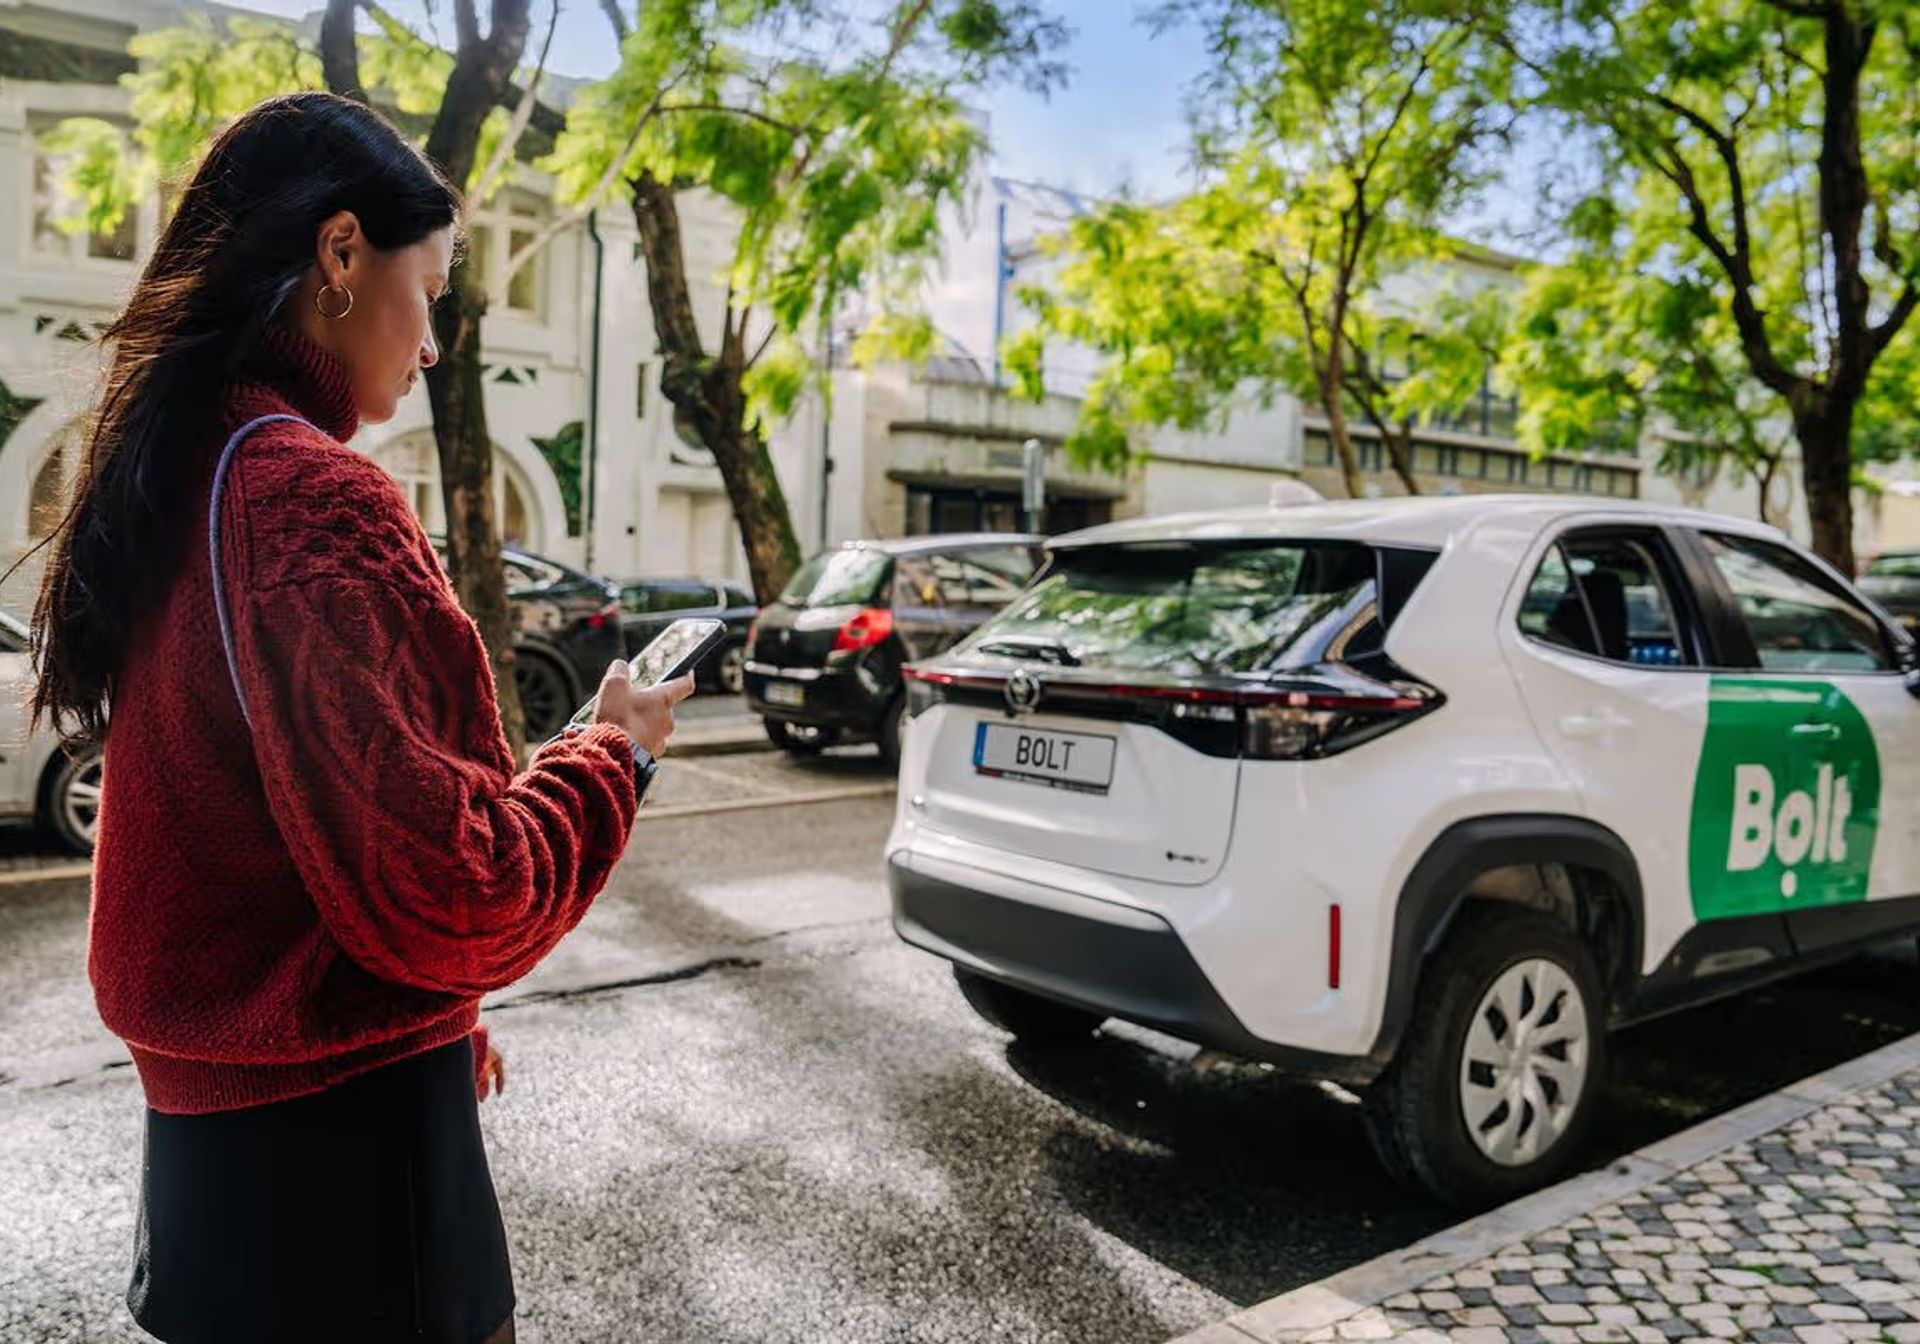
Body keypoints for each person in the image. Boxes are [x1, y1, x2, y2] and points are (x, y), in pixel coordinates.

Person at [20, 92, 689, 1343]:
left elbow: (267, 825)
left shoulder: (178, 473)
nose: (432, 341)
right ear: (339, 254)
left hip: (214, 1164)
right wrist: (613, 757)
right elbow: (458, 892)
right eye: (426, 290)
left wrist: (433, 1020)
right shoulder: (308, 495)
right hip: (349, 1172)